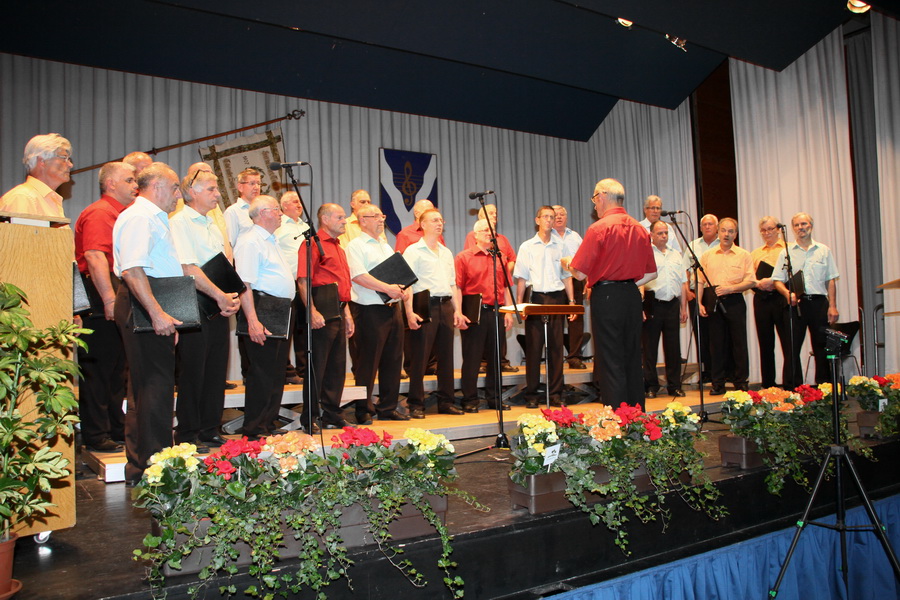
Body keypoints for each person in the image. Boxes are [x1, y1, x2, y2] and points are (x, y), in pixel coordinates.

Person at [112, 162, 184, 484]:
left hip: (150, 301)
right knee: (153, 387)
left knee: (147, 387)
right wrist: (156, 313)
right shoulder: (140, 217)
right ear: (156, 187)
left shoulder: (151, 217)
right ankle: (155, 467)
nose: (178, 194)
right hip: (142, 302)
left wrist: (164, 312)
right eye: (175, 187)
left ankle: (144, 466)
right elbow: (132, 269)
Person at [169, 170, 241, 448]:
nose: (217, 194)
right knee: (193, 371)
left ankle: (210, 428)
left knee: (215, 370)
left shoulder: (212, 223)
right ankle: (188, 433)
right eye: (211, 189)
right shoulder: (180, 221)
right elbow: (188, 267)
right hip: (194, 302)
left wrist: (231, 296)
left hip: (217, 302)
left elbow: (222, 264)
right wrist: (220, 295)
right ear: (192, 192)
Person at [570, 179, 656, 410]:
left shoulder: (599, 228)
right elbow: (652, 272)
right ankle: (636, 417)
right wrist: (625, 280)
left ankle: (616, 418)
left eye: (594, 199)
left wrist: (567, 263)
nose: (594, 205)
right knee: (632, 358)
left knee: (610, 359)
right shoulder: (640, 228)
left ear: (602, 196)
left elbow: (579, 273)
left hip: (607, 296)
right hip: (631, 295)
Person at [73, 161, 137, 453]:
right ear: (111, 184)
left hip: (115, 289)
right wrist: (110, 299)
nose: (135, 186)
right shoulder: (100, 213)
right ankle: (96, 434)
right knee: (98, 369)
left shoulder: (122, 214)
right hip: (100, 294)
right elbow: (95, 257)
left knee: (116, 369)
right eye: (129, 180)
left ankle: (114, 427)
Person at [233, 196, 297, 439]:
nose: (281, 213)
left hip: (280, 308)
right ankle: (254, 428)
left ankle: (268, 422)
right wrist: (252, 320)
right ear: (262, 214)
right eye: (276, 209)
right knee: (261, 372)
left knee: (276, 371)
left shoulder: (271, 239)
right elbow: (244, 284)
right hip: (262, 308)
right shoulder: (250, 241)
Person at [346, 204, 410, 422]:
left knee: (393, 360)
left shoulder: (385, 245)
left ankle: (388, 407)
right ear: (362, 221)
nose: (381, 219)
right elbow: (358, 276)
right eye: (375, 216)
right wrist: (388, 288)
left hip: (392, 309)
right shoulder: (355, 245)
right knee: (367, 362)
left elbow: (397, 273)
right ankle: (363, 409)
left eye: (382, 216)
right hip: (368, 310)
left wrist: (403, 288)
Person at [403, 209, 466, 418]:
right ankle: (416, 403)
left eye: (441, 220)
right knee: (420, 356)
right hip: (424, 304)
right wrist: (409, 312)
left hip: (445, 305)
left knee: (446, 357)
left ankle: (446, 402)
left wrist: (458, 310)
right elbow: (407, 284)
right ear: (422, 224)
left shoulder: (446, 252)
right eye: (434, 220)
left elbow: (452, 284)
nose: (439, 223)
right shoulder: (413, 251)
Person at [297, 203, 355, 430]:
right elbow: (303, 280)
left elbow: (343, 285)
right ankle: (309, 416)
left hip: (339, 308)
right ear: (325, 219)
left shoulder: (339, 247)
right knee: (317, 366)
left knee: (337, 367)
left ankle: (332, 414)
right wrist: (311, 311)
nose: (344, 221)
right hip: (321, 307)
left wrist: (347, 314)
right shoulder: (312, 244)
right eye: (340, 217)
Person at [514, 206, 575, 408]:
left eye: (552, 217)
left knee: (556, 348)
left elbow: (567, 276)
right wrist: (520, 305)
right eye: (546, 216)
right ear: (537, 220)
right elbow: (522, 279)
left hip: (557, 298)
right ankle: (531, 394)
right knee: (534, 348)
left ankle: (556, 393)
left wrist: (572, 302)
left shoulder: (561, 246)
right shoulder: (527, 246)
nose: (549, 220)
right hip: (536, 298)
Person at [772, 212, 840, 387]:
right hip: (796, 304)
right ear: (793, 228)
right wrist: (787, 294)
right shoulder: (786, 252)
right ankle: (793, 388)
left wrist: (832, 306)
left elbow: (831, 279)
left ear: (811, 225)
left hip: (819, 303)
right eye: (797, 225)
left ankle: (824, 386)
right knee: (792, 347)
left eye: (804, 224)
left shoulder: (823, 250)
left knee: (821, 346)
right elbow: (777, 280)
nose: (800, 227)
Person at [456, 219, 515, 412]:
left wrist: (508, 312)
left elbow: (505, 286)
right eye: (484, 231)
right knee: (472, 358)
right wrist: (458, 312)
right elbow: (457, 287)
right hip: (474, 312)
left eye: (492, 231)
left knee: (496, 358)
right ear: (475, 235)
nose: (489, 234)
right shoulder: (464, 257)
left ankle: (494, 398)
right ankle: (470, 399)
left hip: (497, 311)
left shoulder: (500, 257)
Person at [699, 218, 756, 395]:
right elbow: (700, 280)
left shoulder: (744, 255)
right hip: (713, 299)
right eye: (723, 230)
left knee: (739, 343)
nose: (726, 234)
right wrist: (699, 303)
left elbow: (751, 281)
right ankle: (717, 383)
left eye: (731, 231)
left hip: (735, 299)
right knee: (716, 344)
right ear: (718, 232)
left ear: (735, 234)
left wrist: (731, 288)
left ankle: (741, 382)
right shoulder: (708, 255)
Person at [463, 203, 519, 373]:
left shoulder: (502, 240)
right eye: (490, 213)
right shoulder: (472, 239)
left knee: (498, 341)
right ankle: (480, 365)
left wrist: (501, 271)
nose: (494, 216)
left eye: (495, 213)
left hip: (498, 298)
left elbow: (511, 260)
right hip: (478, 301)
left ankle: (501, 362)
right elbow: (471, 261)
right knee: (475, 346)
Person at [641, 221, 688, 399]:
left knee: (673, 348)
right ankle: (651, 386)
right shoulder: (646, 253)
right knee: (650, 348)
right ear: (651, 235)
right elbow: (640, 282)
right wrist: (641, 306)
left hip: (672, 304)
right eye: (660, 233)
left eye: (666, 233)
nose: (664, 236)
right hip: (653, 303)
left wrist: (683, 307)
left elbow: (683, 282)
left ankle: (674, 386)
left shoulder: (676, 254)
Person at [275, 191, 310, 386]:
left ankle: (304, 370)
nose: (299, 204)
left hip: (306, 282)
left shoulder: (306, 226)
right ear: (284, 206)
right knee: (287, 329)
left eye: (299, 201)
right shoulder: (279, 226)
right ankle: (286, 370)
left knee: (304, 329)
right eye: (295, 201)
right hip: (288, 283)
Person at [750, 216, 789, 389]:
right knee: (765, 343)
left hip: (781, 297)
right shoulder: (756, 253)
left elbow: (792, 274)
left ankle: (790, 383)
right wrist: (758, 283)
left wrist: (773, 282)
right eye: (763, 230)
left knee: (788, 342)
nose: (767, 233)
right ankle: (768, 384)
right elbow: (749, 276)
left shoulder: (787, 249)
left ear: (778, 229)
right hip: (762, 299)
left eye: (770, 229)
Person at [1, 133, 73, 219]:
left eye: (68, 159)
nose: (70, 165)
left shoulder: (50, 199)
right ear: (42, 161)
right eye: (64, 158)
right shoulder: (22, 198)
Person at [684, 214, 720, 381]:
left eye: (710, 224)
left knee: (718, 334)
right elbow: (684, 271)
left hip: (716, 292)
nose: (707, 227)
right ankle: (706, 373)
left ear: (717, 227)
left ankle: (720, 373)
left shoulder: (722, 244)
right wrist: (687, 292)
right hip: (695, 292)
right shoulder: (692, 246)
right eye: (704, 224)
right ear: (700, 228)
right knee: (701, 335)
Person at [552, 204, 588, 369]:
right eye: (556, 214)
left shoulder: (575, 236)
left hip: (575, 280)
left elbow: (586, 260)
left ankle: (574, 357)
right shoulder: (547, 236)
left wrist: (588, 281)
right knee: (556, 321)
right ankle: (556, 357)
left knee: (576, 320)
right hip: (555, 283)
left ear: (566, 217)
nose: (559, 217)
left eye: (562, 214)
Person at [224, 167, 262, 248]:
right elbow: (230, 244)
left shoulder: (263, 210)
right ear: (240, 187)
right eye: (252, 183)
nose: (256, 187)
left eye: (258, 183)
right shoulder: (232, 212)